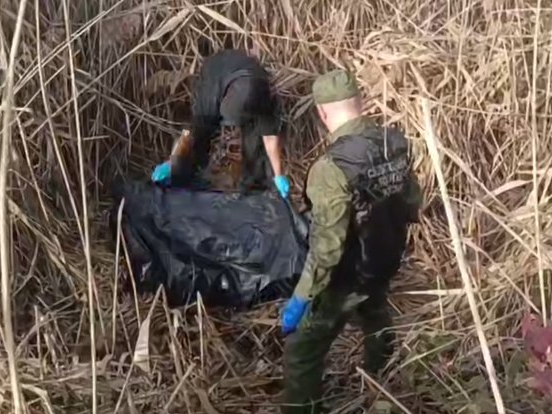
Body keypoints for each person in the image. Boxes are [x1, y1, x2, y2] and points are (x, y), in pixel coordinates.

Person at [279, 69, 423, 413]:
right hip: (385, 257)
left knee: (302, 351)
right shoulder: (394, 143)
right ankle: (383, 378)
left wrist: (302, 297)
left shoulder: (331, 167)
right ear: (360, 102)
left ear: (322, 112)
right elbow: (412, 202)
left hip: (347, 274)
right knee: (375, 313)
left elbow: (327, 249)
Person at [150, 49, 290, 198]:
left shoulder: (258, 95)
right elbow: (191, 130)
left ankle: (242, 188)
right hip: (228, 77)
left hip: (243, 82)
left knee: (246, 145)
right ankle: (189, 178)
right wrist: (172, 162)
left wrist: (279, 176)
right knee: (204, 136)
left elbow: (270, 137)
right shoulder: (212, 92)